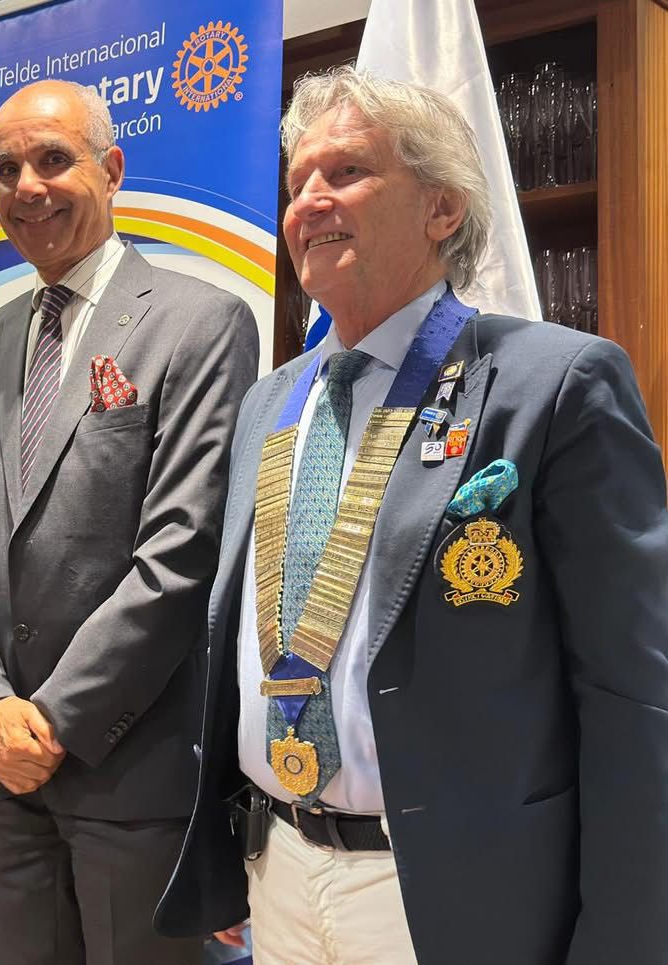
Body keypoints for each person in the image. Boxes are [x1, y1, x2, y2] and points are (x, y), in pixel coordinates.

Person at [157, 66, 668, 964]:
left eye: (346, 171)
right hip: (277, 869)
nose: (310, 200)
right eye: (297, 183)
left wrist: (624, 936)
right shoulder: (267, 402)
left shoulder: (555, 383)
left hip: (452, 895)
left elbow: (633, 696)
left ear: (442, 208)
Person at [0, 79, 259, 965]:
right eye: (6, 169)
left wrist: (56, 719)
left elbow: (183, 551)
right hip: (2, 777)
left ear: (111, 170)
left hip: (130, 771)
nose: (27, 186)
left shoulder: (201, 322)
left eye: (52, 159)